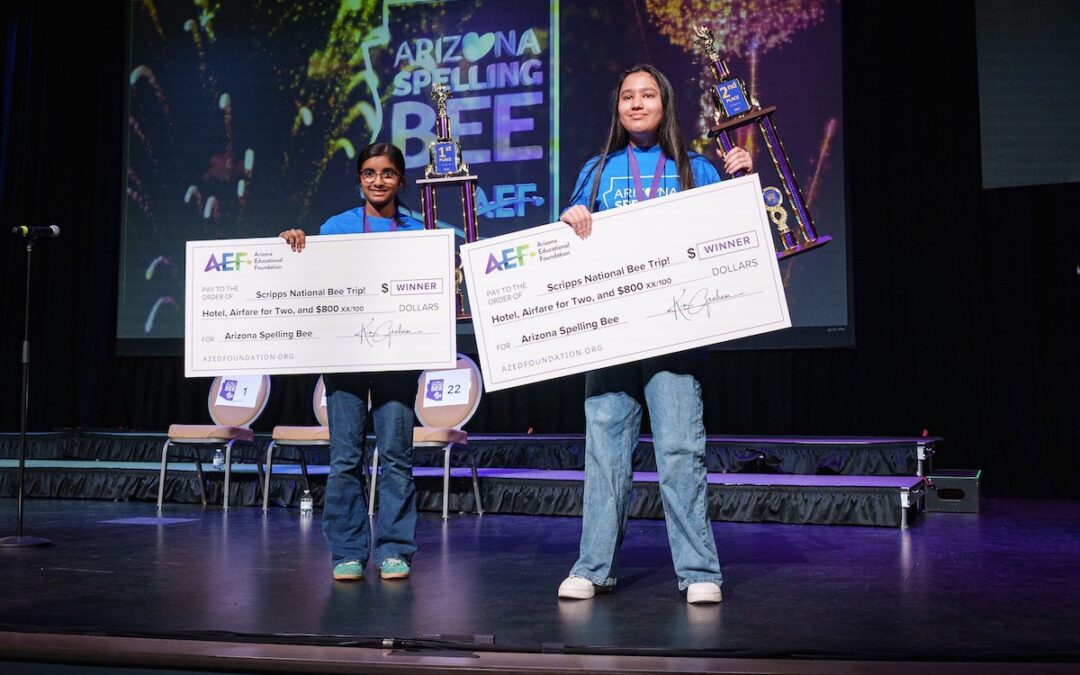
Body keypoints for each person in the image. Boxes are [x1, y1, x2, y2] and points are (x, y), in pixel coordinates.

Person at [557, 64, 753, 604]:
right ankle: (592, 567)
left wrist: (741, 180)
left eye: (647, 95)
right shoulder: (597, 171)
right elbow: (566, 242)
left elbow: (736, 232)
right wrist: (571, 218)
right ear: (617, 107)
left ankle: (700, 573)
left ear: (664, 104)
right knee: (604, 453)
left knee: (679, 451)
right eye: (627, 96)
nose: (637, 103)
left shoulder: (695, 168)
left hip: (677, 333)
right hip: (612, 335)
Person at [280, 142, 424, 582]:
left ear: (401, 179)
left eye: (386, 174)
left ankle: (394, 549)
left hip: (397, 357)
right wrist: (294, 245)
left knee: (396, 456)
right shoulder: (335, 227)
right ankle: (347, 551)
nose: (377, 181)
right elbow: (312, 279)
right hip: (343, 356)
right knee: (345, 457)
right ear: (359, 178)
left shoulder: (422, 229)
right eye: (368, 173)